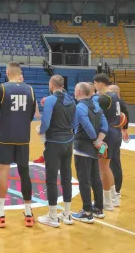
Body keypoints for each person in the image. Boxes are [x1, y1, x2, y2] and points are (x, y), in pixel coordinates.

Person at [0, 62, 37, 228]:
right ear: (20, 73)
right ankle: (29, 213)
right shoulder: (30, 89)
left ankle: (1, 214)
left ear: (7, 72)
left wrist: (3, 125)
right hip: (23, 137)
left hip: (6, 136)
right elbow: (32, 114)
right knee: (24, 172)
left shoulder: (2, 89)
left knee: (3, 171)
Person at [37, 75, 76, 228]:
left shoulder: (51, 100)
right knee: (67, 177)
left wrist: (40, 131)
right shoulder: (72, 100)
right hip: (68, 142)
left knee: (51, 179)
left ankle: (53, 216)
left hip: (54, 142)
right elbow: (75, 122)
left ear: (52, 85)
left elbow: (45, 121)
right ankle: (67, 214)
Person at [71, 82, 108, 223]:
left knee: (84, 180)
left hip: (82, 147)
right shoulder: (97, 106)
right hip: (94, 148)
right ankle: (98, 209)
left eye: (75, 90)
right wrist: (99, 141)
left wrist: (95, 140)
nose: (74, 92)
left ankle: (87, 212)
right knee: (95, 178)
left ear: (79, 92)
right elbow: (105, 126)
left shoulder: (79, 107)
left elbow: (86, 126)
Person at [93, 73, 121, 211]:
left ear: (100, 83)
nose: (94, 85)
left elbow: (97, 118)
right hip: (116, 133)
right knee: (106, 165)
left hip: (107, 136)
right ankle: (114, 197)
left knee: (103, 166)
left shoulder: (103, 98)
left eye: (95, 83)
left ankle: (107, 201)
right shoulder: (114, 95)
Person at [108, 84, 129, 207]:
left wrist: (125, 129)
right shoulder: (115, 102)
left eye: (109, 91)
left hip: (115, 134)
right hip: (114, 133)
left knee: (114, 162)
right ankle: (113, 188)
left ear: (115, 93)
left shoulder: (119, 102)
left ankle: (117, 190)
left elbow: (126, 115)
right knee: (110, 163)